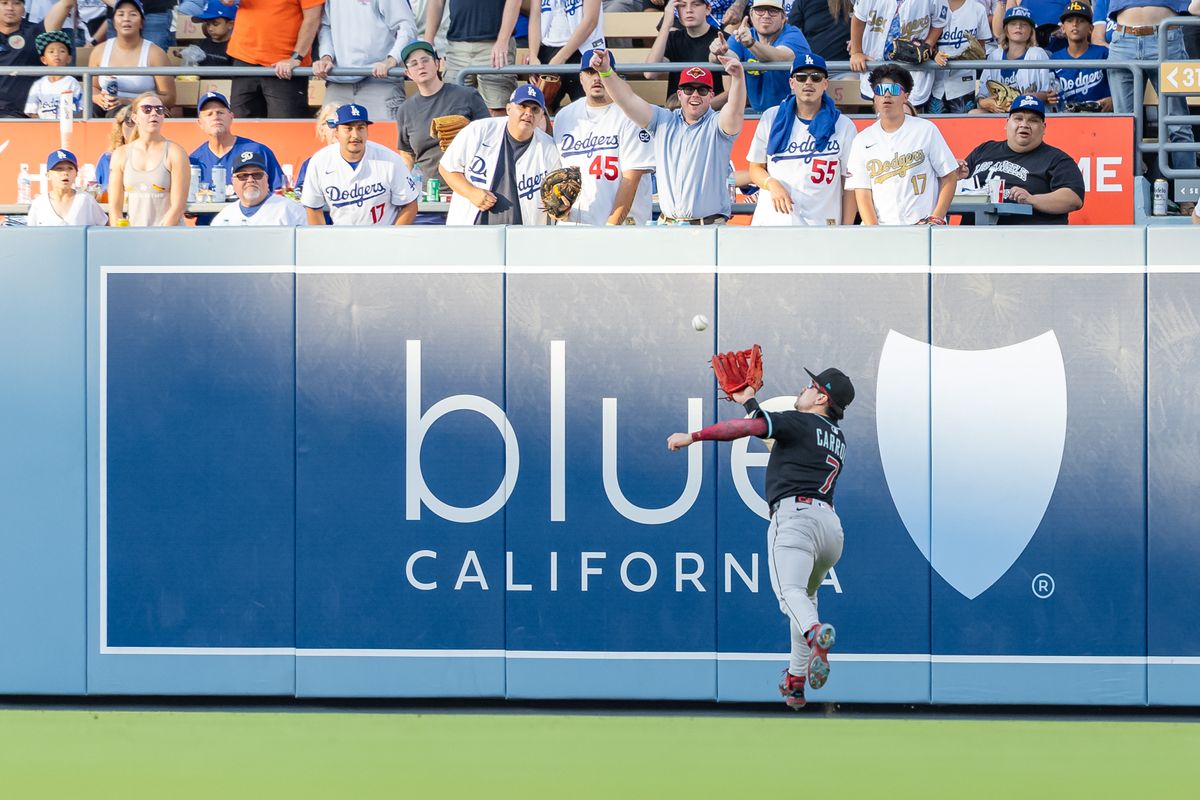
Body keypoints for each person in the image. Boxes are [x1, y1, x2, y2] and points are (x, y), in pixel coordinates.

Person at [666, 366, 855, 710]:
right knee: (804, 598)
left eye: (811, 386)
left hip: (794, 519)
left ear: (822, 397)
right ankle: (796, 683)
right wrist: (749, 400)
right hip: (829, 528)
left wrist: (692, 437)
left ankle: (817, 635)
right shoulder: (836, 438)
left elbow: (748, 428)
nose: (804, 388)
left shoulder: (799, 422)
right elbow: (774, 438)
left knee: (791, 596)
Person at [599, 49, 747, 224]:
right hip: (668, 226)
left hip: (708, 227)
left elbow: (735, 110)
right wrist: (605, 72)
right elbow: (627, 99)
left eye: (702, 91)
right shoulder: (663, 120)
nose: (695, 95)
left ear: (711, 96)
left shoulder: (718, 124)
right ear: (679, 94)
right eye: (688, 89)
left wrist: (738, 78)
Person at [748, 53, 857, 226]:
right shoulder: (771, 117)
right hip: (775, 222)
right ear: (792, 83)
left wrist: (846, 227)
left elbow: (850, 183)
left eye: (816, 77)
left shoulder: (844, 125)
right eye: (801, 77)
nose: (808, 82)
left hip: (821, 224)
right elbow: (755, 167)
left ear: (825, 84)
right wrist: (771, 183)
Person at [846, 64, 957, 224]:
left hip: (922, 228)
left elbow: (949, 177)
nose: (887, 96)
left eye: (894, 90)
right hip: (882, 232)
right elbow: (862, 192)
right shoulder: (862, 140)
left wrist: (935, 220)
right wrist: (873, 231)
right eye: (880, 90)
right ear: (874, 97)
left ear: (906, 96)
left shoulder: (926, 130)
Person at [554, 50, 655, 225]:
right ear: (581, 78)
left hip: (621, 229)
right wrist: (560, 213)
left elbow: (632, 179)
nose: (596, 78)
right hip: (574, 227)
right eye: (590, 72)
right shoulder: (565, 116)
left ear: (613, 76)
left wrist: (611, 226)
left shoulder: (631, 115)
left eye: (601, 71)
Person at [439, 84, 565, 225]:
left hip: (522, 236)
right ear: (509, 109)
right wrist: (471, 192)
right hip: (472, 230)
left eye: (534, 109)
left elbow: (555, 197)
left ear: (542, 115)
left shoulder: (548, 148)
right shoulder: (480, 130)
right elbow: (447, 168)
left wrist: (561, 207)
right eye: (522, 106)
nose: (528, 113)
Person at [959, 94, 1085, 223]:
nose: (1024, 125)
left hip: (1025, 239)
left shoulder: (1057, 159)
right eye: (1018, 118)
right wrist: (956, 174)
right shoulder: (984, 150)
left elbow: (1073, 198)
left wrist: (1031, 200)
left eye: (1033, 120)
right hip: (972, 236)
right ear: (1007, 123)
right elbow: (956, 183)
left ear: (1043, 128)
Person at [301, 103, 421, 225]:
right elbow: (313, 208)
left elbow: (410, 205)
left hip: (381, 238)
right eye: (348, 128)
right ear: (336, 132)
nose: (355, 135)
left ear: (367, 131)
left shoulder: (390, 160)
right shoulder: (319, 161)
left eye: (360, 128)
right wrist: (323, 241)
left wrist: (392, 237)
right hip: (341, 239)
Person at [395, 40, 491, 192]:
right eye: (413, 63)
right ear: (408, 73)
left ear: (438, 64)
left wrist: (469, 131)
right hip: (429, 192)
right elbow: (406, 153)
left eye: (425, 60)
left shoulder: (467, 95)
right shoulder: (405, 110)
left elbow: (490, 138)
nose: (420, 66)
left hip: (471, 189)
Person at [310, 0, 415, 124]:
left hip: (380, 81)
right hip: (338, 82)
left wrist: (391, 60)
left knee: (385, 140)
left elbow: (407, 26)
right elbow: (325, 26)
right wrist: (326, 57)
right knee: (332, 140)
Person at [226, 0, 325, 119]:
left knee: (284, 129)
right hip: (244, 57)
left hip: (285, 65)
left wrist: (296, 57)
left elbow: (312, 18)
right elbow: (227, 2)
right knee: (241, 126)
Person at [711, 0, 811, 112]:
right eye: (760, 11)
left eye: (773, 11)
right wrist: (718, 52)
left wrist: (751, 44)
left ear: (784, 18)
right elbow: (730, 56)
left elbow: (778, 56)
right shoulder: (743, 35)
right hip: (757, 112)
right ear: (751, 15)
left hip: (792, 112)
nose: (766, 15)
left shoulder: (794, 34)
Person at [425, 0, 522, 115]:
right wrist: (428, 42)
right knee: (453, 110)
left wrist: (502, 39)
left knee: (497, 109)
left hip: (494, 43)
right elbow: (436, 2)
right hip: (457, 46)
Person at [108, 91, 190, 226]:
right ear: (135, 117)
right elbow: (115, 208)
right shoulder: (121, 154)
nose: (154, 113)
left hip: (168, 235)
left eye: (159, 110)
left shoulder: (176, 153)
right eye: (147, 109)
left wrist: (158, 236)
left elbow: (178, 207)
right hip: (133, 236)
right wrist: (120, 236)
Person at [849, 0, 947, 109]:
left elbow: (939, 22)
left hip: (914, 70)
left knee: (911, 114)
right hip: (877, 66)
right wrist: (856, 52)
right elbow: (858, 18)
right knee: (882, 109)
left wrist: (926, 46)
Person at [83, 0, 175, 116]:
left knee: (117, 113)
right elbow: (93, 87)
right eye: (121, 14)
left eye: (133, 14)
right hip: (108, 107)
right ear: (114, 22)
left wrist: (130, 102)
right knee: (90, 111)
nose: (126, 19)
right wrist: (98, 98)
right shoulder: (99, 51)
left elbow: (169, 98)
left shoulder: (155, 54)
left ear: (142, 23)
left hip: (142, 112)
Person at [190, 91, 287, 198]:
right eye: (209, 114)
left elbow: (279, 192)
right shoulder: (194, 160)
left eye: (220, 112)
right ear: (200, 123)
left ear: (231, 117)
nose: (216, 117)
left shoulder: (257, 151)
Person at [0, 0, 75, 118]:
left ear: (24, 9)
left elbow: (66, 4)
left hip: (21, 115)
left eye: (16, 3)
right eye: (4, 3)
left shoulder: (36, 33)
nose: (10, 8)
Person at [528, 0, 606, 110]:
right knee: (540, 109)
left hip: (585, 50)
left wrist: (561, 57)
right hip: (547, 50)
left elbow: (591, 21)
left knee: (591, 109)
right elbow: (535, 16)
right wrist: (533, 56)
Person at [976, 6, 1052, 112]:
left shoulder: (1038, 54)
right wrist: (986, 103)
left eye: (1024, 24)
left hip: (1029, 110)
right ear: (1006, 30)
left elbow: (1049, 95)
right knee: (974, 113)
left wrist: (1023, 98)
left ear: (1031, 31)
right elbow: (982, 95)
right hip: (1000, 111)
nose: (1018, 27)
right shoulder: (994, 55)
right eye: (1013, 24)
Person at [645, 0, 721, 105]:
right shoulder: (673, 38)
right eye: (682, 5)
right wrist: (666, 24)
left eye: (696, 4)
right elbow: (649, 73)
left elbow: (729, 93)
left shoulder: (722, 39)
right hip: (677, 115)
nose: (689, 10)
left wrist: (696, 108)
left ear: (708, 9)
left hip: (713, 116)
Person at [929, 0, 993, 113]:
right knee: (937, 126)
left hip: (964, 84)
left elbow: (981, 48)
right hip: (935, 84)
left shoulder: (978, 9)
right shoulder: (933, 7)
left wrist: (974, 53)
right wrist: (934, 54)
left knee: (963, 127)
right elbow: (924, 44)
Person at [213, 151, 308, 225]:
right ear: (233, 181)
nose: (250, 180)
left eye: (257, 174)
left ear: (266, 178)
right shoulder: (224, 216)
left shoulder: (290, 210)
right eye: (242, 176)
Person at [1048, 1, 1110, 111]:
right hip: (1066, 119)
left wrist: (1112, 100)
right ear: (1062, 28)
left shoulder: (1103, 53)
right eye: (1070, 21)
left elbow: (1117, 88)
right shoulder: (1054, 58)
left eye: (1081, 21)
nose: (1075, 24)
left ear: (1090, 28)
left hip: (1099, 116)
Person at [27, 149, 109, 226]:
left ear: (76, 174)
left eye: (70, 168)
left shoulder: (86, 200)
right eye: (59, 169)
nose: (65, 173)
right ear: (48, 175)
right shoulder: (39, 203)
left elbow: (104, 228)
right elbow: (30, 236)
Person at [24, 30, 82, 118]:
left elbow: (79, 109)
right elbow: (32, 111)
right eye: (51, 51)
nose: (56, 54)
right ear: (44, 59)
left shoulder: (71, 82)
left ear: (69, 58)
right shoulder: (39, 85)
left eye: (62, 51)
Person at [789, 0, 854, 72]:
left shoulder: (855, 2)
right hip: (810, 68)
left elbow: (865, 23)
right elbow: (792, 34)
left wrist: (858, 40)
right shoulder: (802, 2)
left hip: (846, 69)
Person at [94, 103, 135, 194]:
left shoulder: (156, 157)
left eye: (138, 122)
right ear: (120, 126)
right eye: (129, 121)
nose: (134, 127)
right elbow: (100, 191)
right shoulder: (107, 159)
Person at [188, 0, 235, 69]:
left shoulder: (234, 48)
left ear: (230, 24)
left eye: (215, 24)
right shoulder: (202, 44)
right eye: (208, 24)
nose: (210, 28)